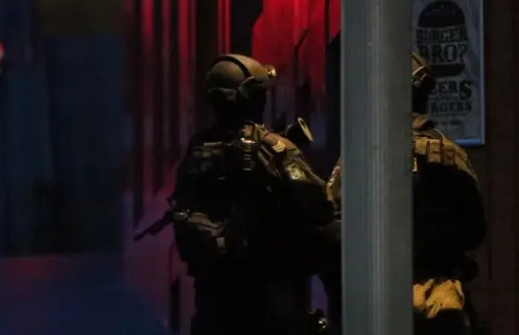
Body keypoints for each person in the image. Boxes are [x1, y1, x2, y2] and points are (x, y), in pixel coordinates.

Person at [164, 54, 341, 335]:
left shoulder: (197, 149)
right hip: (268, 307)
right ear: (253, 97)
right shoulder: (273, 148)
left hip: (213, 308)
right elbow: (323, 209)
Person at [326, 53, 486, 335]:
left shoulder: (359, 155)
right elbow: (475, 231)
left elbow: (332, 227)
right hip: (437, 300)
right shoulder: (450, 156)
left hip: (377, 301)